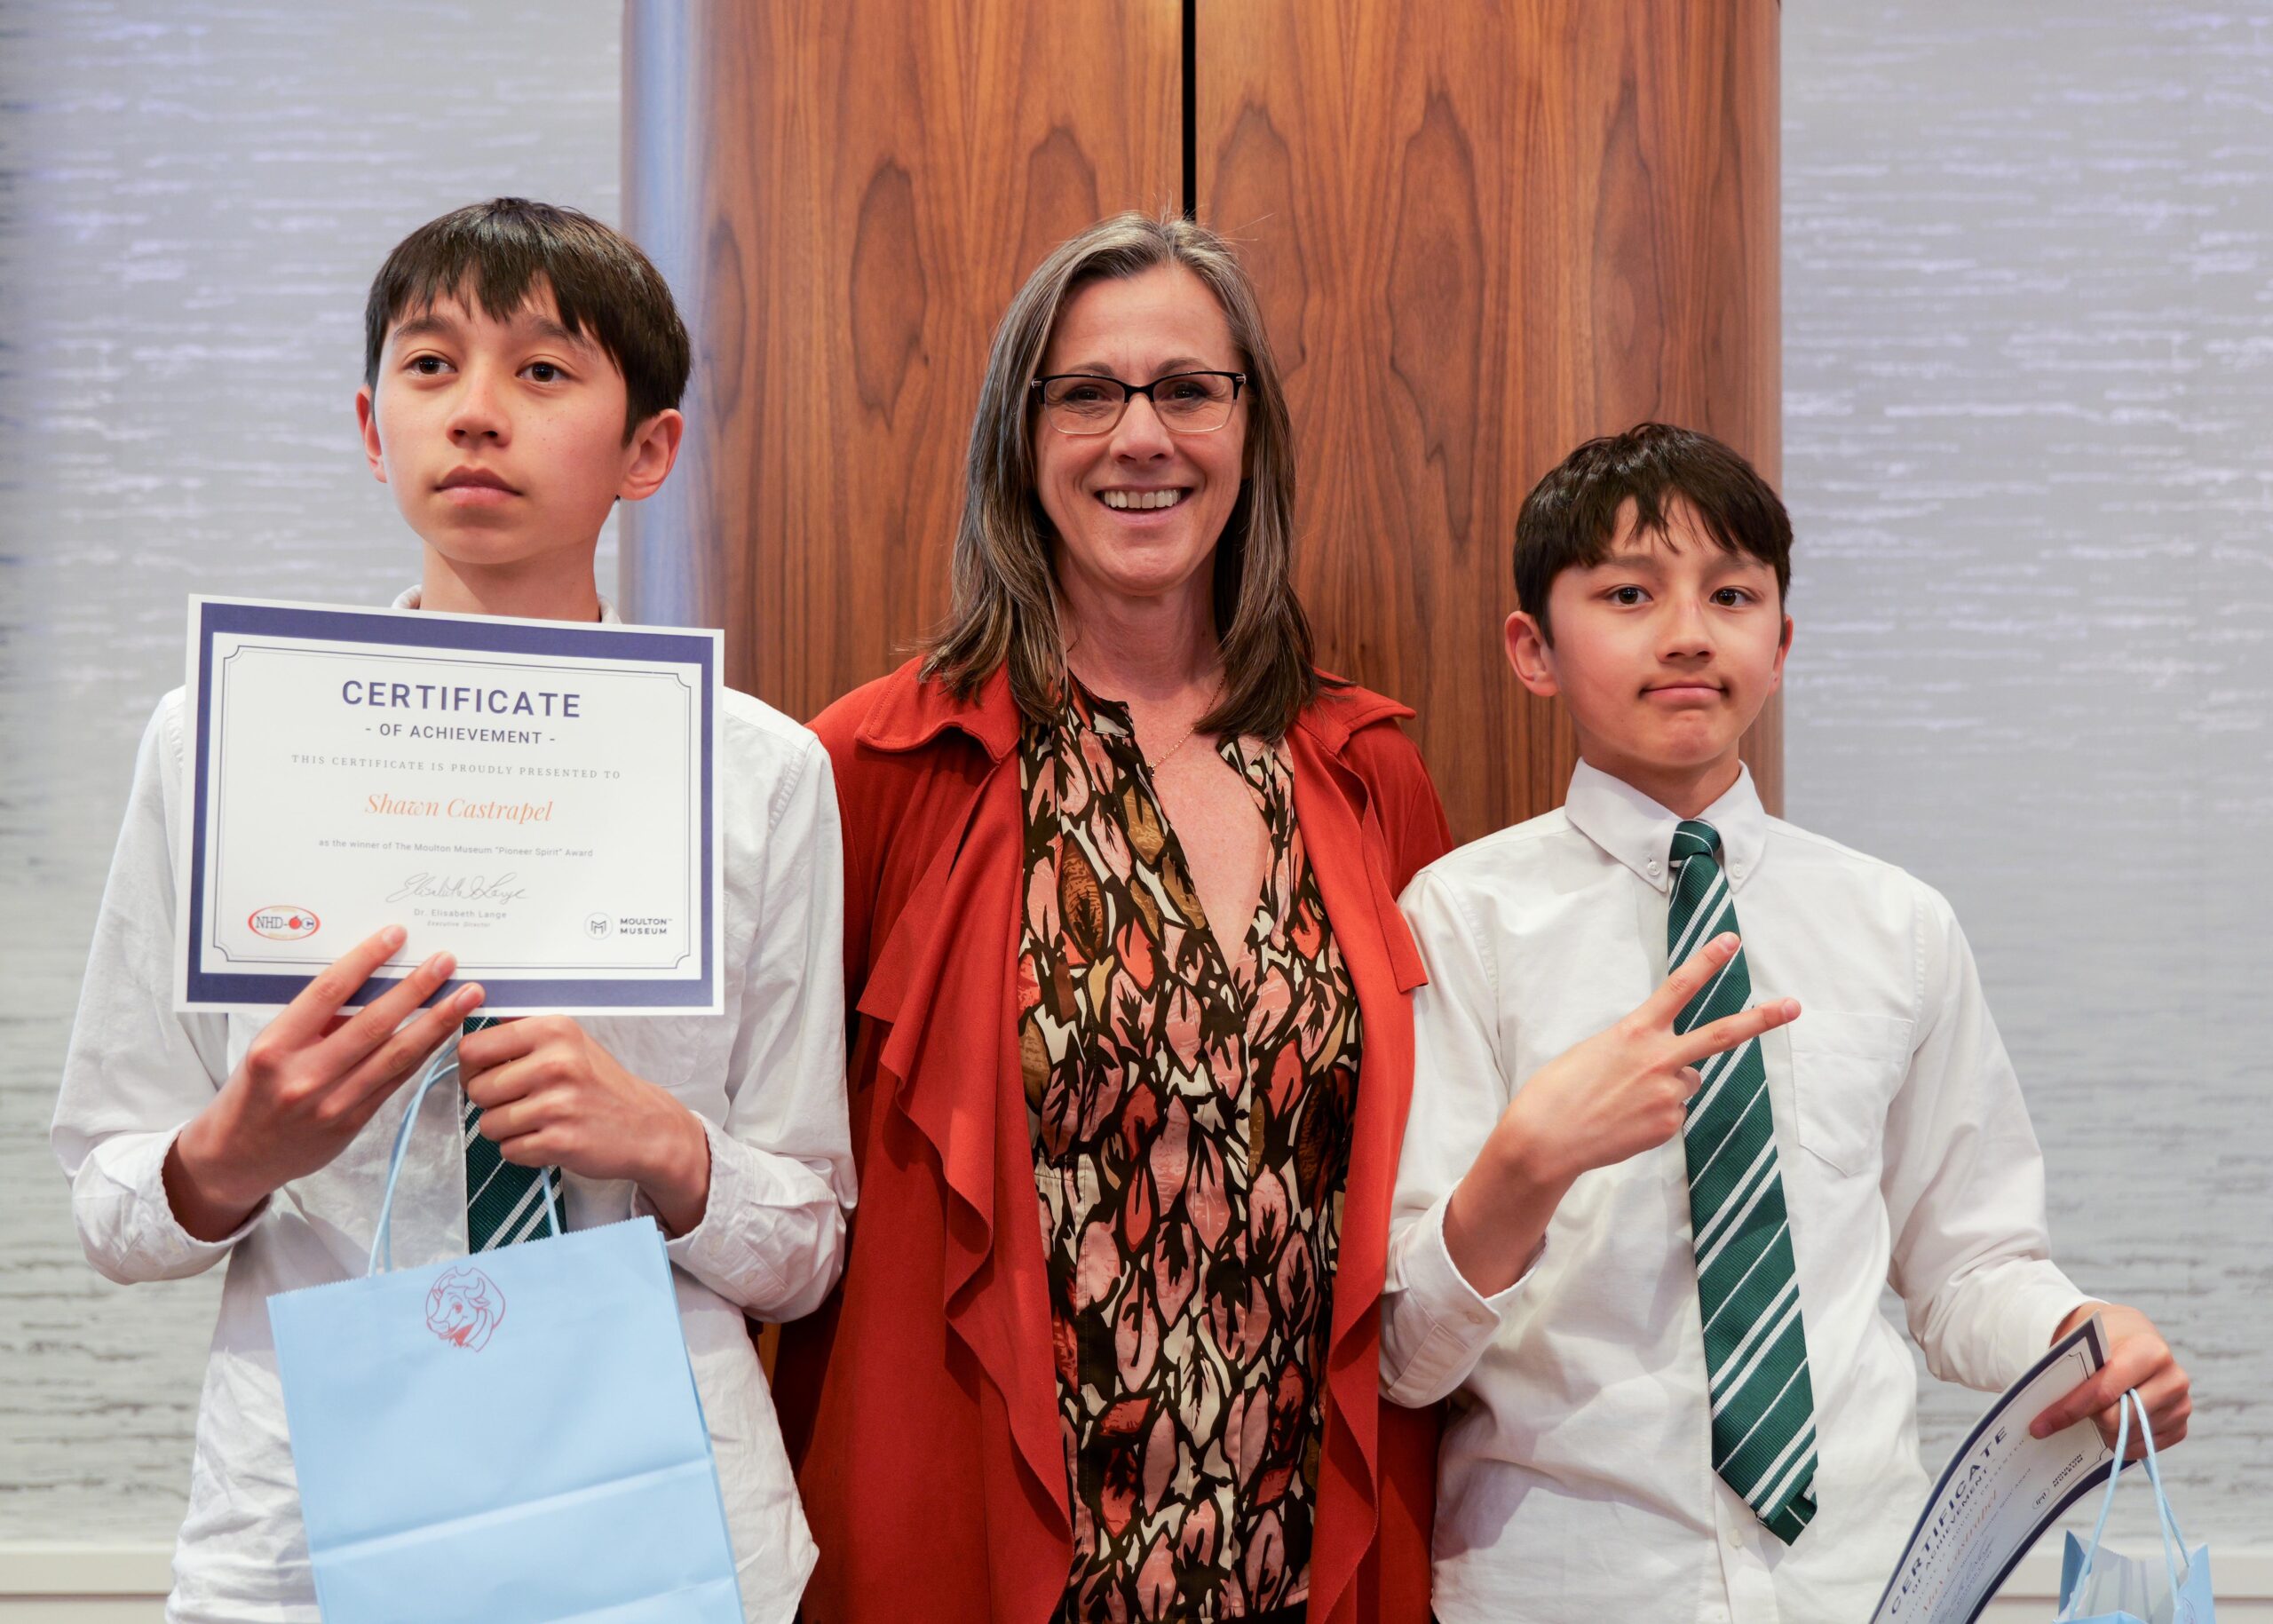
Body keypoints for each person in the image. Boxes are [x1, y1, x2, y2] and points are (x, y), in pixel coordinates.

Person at [51, 197, 854, 1624]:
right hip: (303, 1535)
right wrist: (232, 1150)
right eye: (432, 368)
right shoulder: (224, 741)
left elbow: (806, 1244)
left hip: (659, 1513)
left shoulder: (760, 774)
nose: (476, 413)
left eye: (543, 372)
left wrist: (665, 1147)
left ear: (648, 448)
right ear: (373, 429)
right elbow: (112, 1205)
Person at [1379, 423, 2192, 1622]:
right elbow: (1402, 1352)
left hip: (1867, 1586)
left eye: (1733, 593)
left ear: (1782, 641)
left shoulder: (1897, 922)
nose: (1690, 631)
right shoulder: (1461, 918)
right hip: (1562, 1588)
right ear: (1532, 648)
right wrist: (1528, 1159)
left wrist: (2080, 1333)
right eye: (1628, 592)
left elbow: (1968, 1263)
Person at [772, 212, 1450, 1624]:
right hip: (984, 1546)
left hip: (1290, 1551)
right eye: (1087, 393)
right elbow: (780, 1189)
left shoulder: (1366, 769)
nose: (1141, 434)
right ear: (1019, 440)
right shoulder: (877, 768)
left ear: (1249, 427)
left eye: (1187, 389)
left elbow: (1432, 1194)